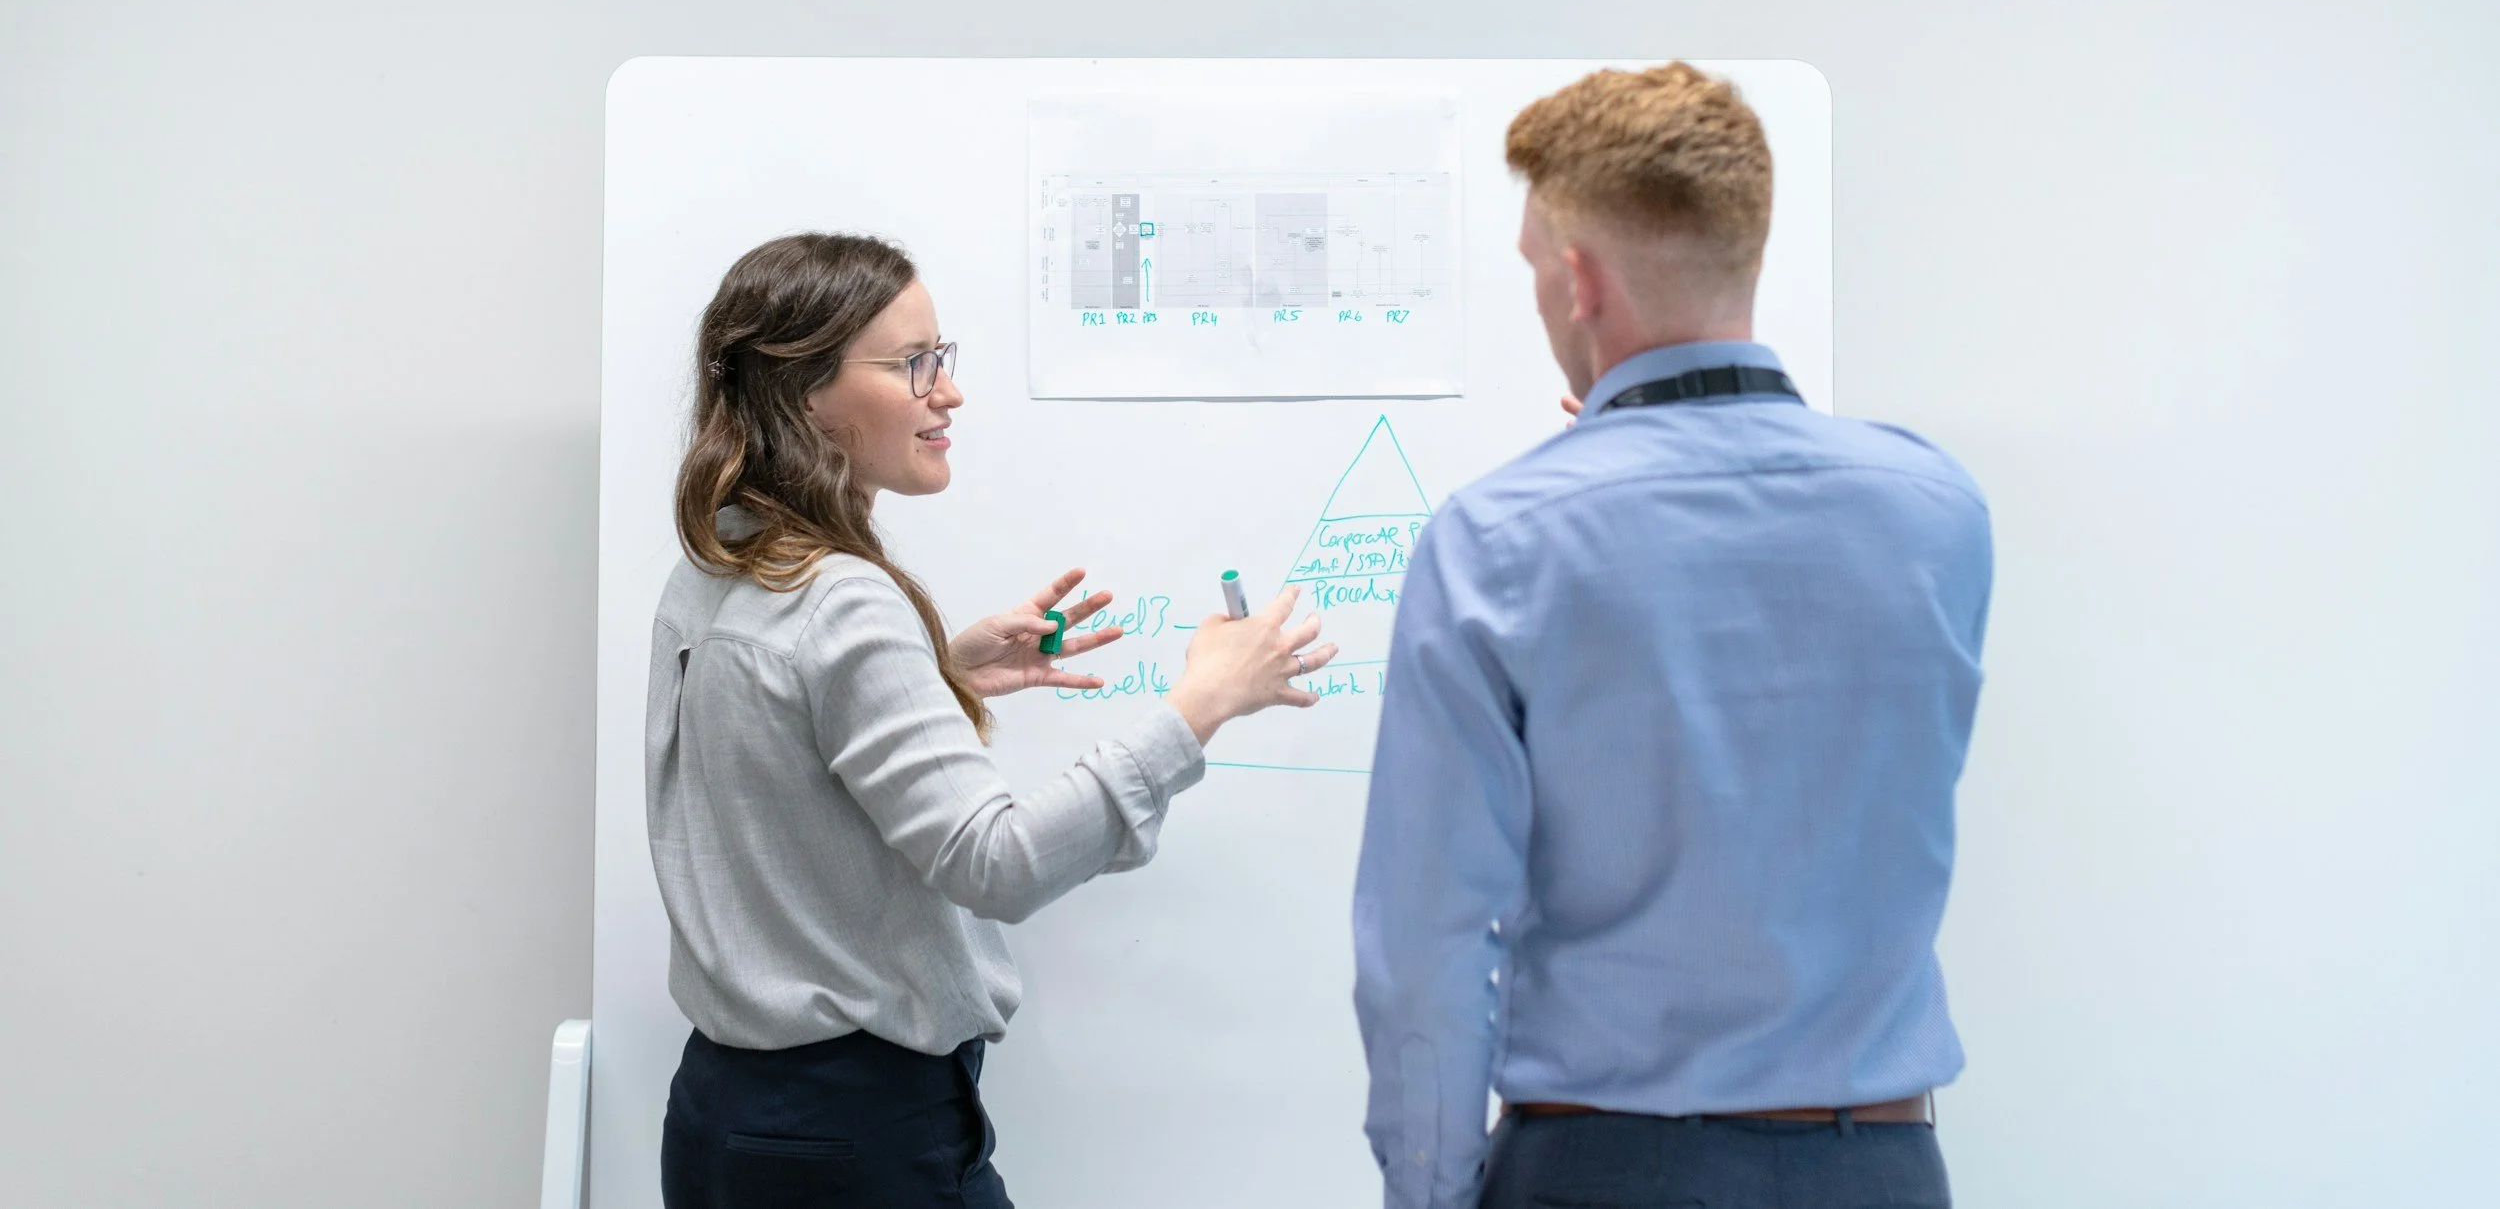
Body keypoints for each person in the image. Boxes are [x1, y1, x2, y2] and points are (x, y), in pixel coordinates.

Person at [1352, 64, 1991, 1209]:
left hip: (1607, 1170)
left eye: (1535, 272)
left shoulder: (1500, 541)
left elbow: (1429, 950)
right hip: (1882, 1169)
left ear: (1579, 280)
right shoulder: (1936, 511)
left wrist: (1428, 1193)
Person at [650, 232, 1335, 1209]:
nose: (947, 391)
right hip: (856, 1138)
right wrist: (1200, 705)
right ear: (805, 394)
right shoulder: (843, 599)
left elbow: (770, 747)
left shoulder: (723, 559)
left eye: (944, 357)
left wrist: (936, 671)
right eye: (910, 364)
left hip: (726, 1117)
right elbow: (996, 861)